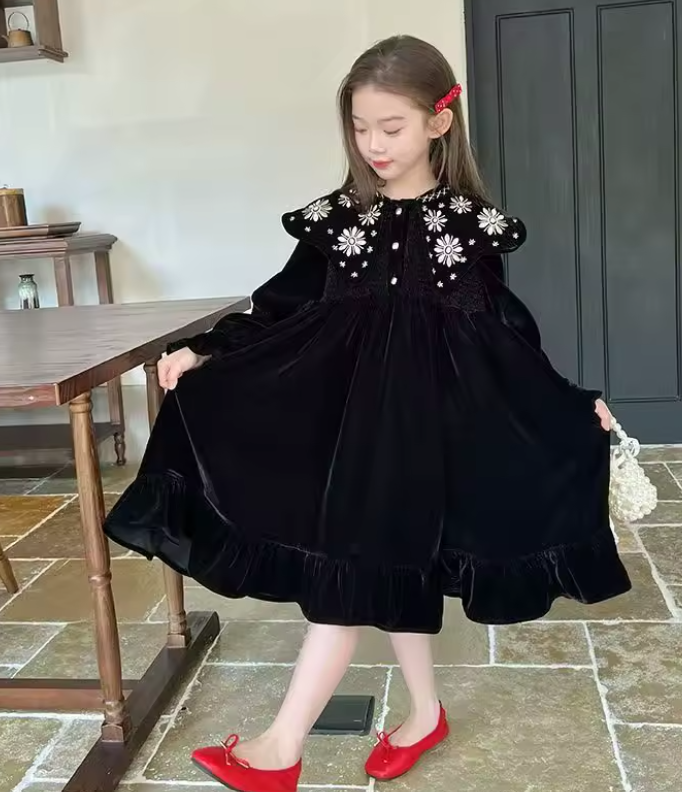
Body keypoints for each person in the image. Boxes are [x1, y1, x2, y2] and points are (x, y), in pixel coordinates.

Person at [104, 34, 631, 792]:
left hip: (428, 436)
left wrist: (571, 405)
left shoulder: (469, 228)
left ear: (439, 122)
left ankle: (279, 748)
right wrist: (207, 352)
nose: (374, 145)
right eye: (359, 128)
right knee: (379, 568)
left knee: (357, 577)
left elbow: (507, 334)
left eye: (392, 127)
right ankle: (422, 715)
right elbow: (279, 309)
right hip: (350, 434)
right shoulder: (338, 222)